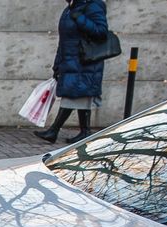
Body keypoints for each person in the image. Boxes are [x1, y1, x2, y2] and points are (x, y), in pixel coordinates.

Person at [35, 0, 108, 143]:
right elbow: (64, 41)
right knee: (78, 96)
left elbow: (101, 32)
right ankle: (84, 132)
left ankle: (54, 131)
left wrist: (80, 18)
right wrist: (58, 64)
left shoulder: (94, 5)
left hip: (85, 61)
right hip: (71, 61)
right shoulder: (70, 8)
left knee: (73, 96)